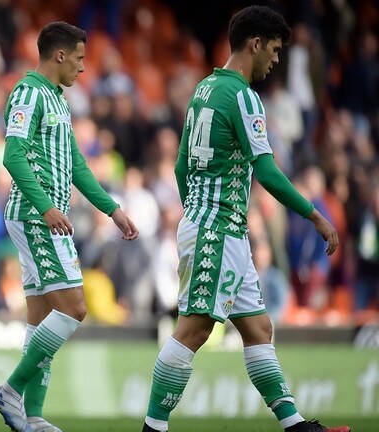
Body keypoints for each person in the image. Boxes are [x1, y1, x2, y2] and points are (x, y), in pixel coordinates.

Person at [140, 6, 348, 432]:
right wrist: (314, 215)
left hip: (220, 229)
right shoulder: (242, 96)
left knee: (257, 328)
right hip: (217, 231)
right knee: (193, 330)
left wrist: (196, 212)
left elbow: (181, 168)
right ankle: (153, 427)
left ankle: (296, 426)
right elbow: (266, 172)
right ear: (255, 43)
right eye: (274, 50)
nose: (276, 59)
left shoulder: (204, 88)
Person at [0, 21, 139, 432]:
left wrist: (112, 209)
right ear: (60, 54)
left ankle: (33, 416)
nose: (83, 67)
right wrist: (47, 207)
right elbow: (12, 156)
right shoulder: (28, 92)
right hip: (36, 216)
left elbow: (77, 166)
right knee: (74, 308)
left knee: (42, 317)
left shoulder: (57, 98)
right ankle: (12, 391)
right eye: (79, 58)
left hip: (44, 216)